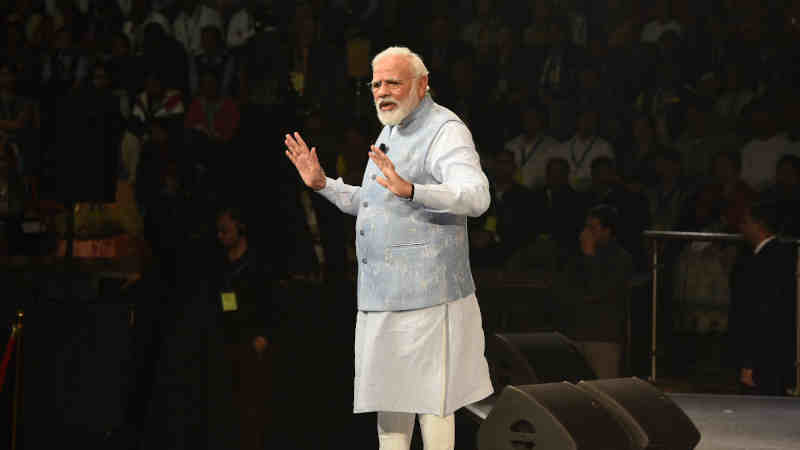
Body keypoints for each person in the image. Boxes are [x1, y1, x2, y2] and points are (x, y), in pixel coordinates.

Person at [284, 46, 493, 450]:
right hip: (382, 298)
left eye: (393, 82)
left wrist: (414, 190)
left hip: (430, 299)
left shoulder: (445, 129)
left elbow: (476, 197)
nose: (382, 91)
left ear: (422, 84)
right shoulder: (393, 128)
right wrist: (324, 184)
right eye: (376, 83)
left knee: (435, 408)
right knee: (390, 408)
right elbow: (374, 203)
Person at [553, 204, 634, 378]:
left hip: (603, 337)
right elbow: (565, 290)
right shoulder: (576, 257)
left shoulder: (621, 259)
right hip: (575, 334)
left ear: (607, 231)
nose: (586, 233)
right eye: (586, 227)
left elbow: (599, 289)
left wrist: (590, 256)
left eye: (592, 228)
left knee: (604, 392)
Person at [729, 202, 797, 396]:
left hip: (763, 359)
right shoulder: (785, 255)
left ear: (757, 224)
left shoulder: (762, 261)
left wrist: (749, 362)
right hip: (780, 353)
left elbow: (760, 313)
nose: (741, 228)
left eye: (744, 222)